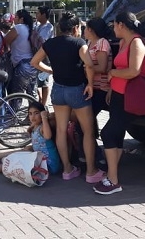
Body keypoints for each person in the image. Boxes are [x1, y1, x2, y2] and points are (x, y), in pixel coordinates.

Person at [30, 11, 104, 184]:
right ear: (76, 28)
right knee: (88, 131)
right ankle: (91, 171)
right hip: (77, 89)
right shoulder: (79, 43)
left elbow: (34, 62)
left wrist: (50, 70)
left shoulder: (50, 43)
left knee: (61, 131)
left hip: (58, 90)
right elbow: (89, 65)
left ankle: (67, 169)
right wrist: (90, 84)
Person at [97, 11, 145, 195]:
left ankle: (113, 181)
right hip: (118, 95)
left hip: (130, 97)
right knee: (116, 135)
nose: (112, 29)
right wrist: (112, 87)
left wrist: (112, 74)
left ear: (121, 25)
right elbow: (121, 66)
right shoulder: (124, 42)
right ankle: (111, 175)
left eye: (114, 25)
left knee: (108, 133)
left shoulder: (137, 43)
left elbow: (134, 71)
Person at [0, 101, 61, 176]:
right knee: (24, 150)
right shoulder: (35, 126)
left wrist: (44, 118)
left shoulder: (43, 127)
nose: (33, 117)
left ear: (41, 114)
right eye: (30, 114)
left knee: (17, 162)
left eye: (36, 113)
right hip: (41, 159)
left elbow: (47, 136)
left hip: (49, 164)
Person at [2, 9, 38, 98]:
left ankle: (14, 109)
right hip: (32, 64)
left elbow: (5, 40)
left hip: (21, 65)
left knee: (16, 96)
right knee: (32, 95)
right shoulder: (31, 28)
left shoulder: (19, 27)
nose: (14, 19)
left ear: (21, 19)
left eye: (16, 17)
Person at [33, 6, 55, 105]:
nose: (36, 15)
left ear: (44, 14)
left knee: (44, 82)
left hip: (44, 58)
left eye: (38, 13)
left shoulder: (48, 27)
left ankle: (43, 104)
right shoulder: (37, 26)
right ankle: (40, 100)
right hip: (35, 55)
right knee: (36, 81)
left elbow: (42, 40)